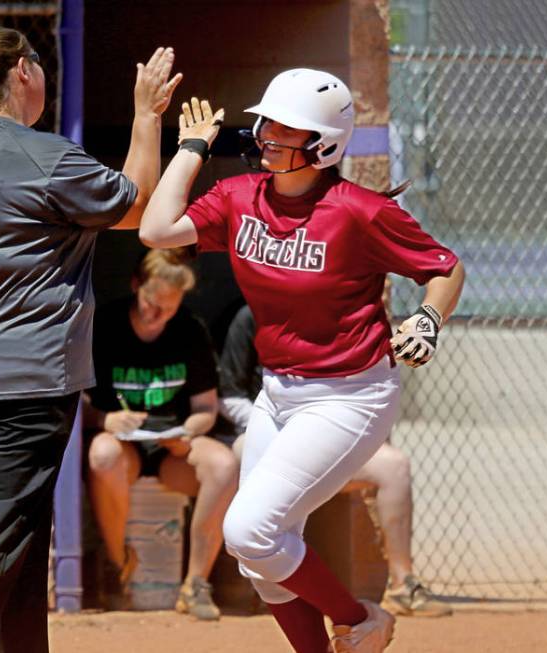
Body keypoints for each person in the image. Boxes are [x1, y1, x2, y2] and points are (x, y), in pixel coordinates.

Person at [139, 68, 465, 653]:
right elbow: (158, 228)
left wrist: (428, 319)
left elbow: (444, 268)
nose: (266, 135)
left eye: (287, 130)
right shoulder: (240, 196)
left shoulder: (358, 211)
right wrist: (190, 149)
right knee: (259, 557)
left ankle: (361, 620)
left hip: (350, 395)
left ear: (324, 145)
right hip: (279, 391)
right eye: (267, 123)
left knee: (249, 529)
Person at [0, 27, 182, 653]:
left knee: (17, 536)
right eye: (38, 63)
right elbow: (135, 207)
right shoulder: (40, 154)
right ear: (23, 74)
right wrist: (147, 116)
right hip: (28, 375)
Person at [218, 304, 452, 618]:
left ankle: (402, 584)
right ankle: (279, 587)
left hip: (325, 435)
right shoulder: (252, 315)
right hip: (261, 428)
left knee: (394, 466)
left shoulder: (363, 325)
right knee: (249, 528)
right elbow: (229, 394)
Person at [83, 248, 238, 621]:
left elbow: (205, 410)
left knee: (224, 465)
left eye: (169, 307)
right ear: (137, 285)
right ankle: (117, 563)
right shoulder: (103, 325)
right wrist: (106, 419)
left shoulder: (189, 329)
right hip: (124, 446)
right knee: (102, 454)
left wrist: (185, 433)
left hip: (173, 446)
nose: (158, 315)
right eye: (152, 303)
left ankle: (196, 582)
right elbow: (77, 407)